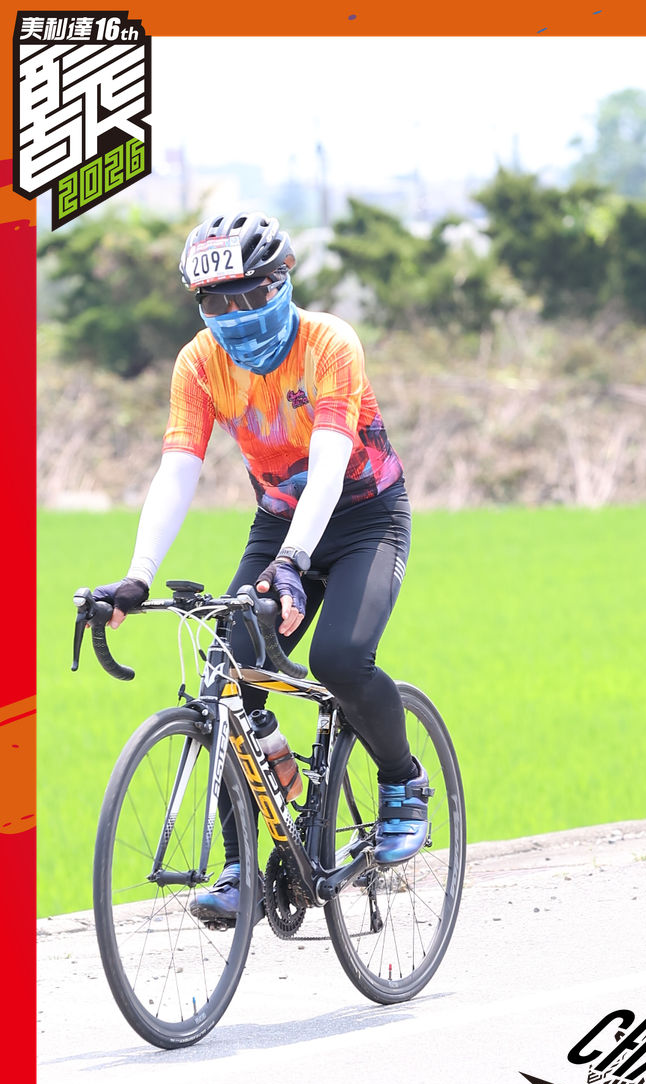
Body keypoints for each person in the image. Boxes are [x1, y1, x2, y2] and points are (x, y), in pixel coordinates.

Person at [93, 210, 430, 919]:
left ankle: (403, 781)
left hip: (364, 518)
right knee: (228, 678)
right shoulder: (199, 364)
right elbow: (178, 468)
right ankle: (242, 864)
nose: (235, 316)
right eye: (216, 303)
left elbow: (331, 462)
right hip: (279, 521)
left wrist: (293, 562)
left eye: (249, 296)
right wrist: (138, 574)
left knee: (339, 659)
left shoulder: (328, 342)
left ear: (284, 281)